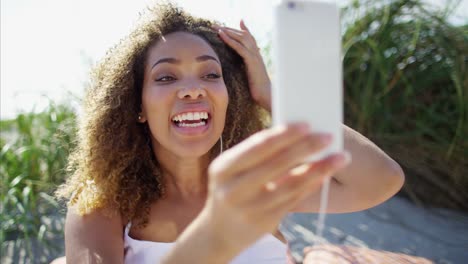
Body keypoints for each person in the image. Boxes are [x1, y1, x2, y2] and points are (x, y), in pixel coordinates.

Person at [54, 3, 404, 263]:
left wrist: (269, 94)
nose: (193, 89)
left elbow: (381, 180)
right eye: (166, 77)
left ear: (230, 96)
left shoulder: (256, 180)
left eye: (210, 75)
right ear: (138, 106)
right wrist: (217, 234)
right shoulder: (103, 206)